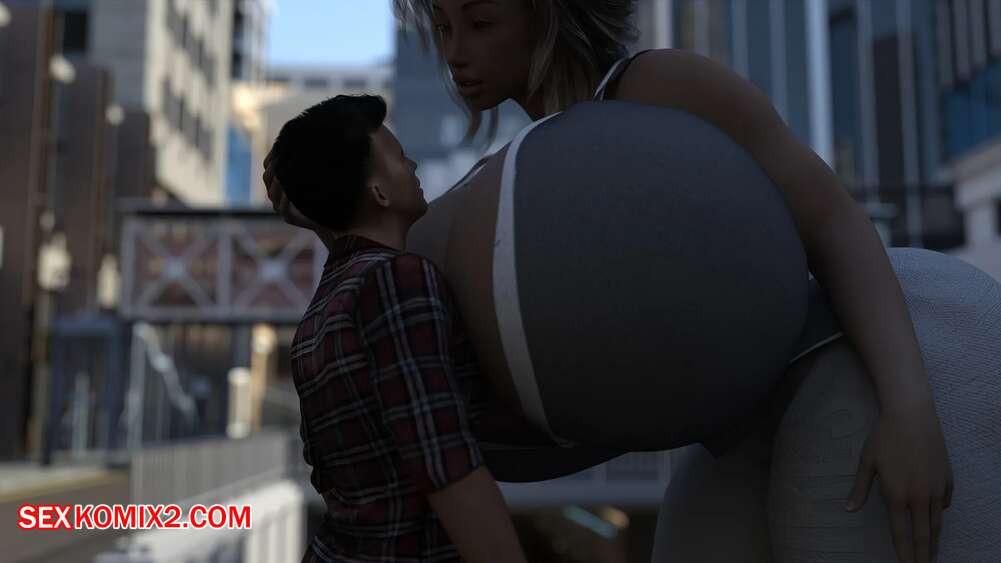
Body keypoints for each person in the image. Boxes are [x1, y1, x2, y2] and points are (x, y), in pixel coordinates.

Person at [264, 2, 954, 562]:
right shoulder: (532, 164)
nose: (455, 53)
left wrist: (907, 408)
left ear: (546, 16)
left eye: (481, 23)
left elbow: (831, 218)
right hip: (734, 439)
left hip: (821, 399)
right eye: (443, 28)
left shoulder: (659, 87)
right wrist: (326, 211)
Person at [272, 94, 528, 563]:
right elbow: (445, 463)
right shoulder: (395, 281)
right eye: (398, 157)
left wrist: (321, 212)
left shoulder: (321, 312)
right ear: (379, 193)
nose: (411, 164)